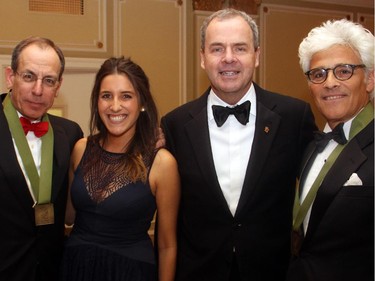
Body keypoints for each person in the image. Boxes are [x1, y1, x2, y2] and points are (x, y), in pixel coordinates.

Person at [161, 8, 317, 281]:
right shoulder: (174, 125)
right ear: (202, 58)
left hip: (272, 272)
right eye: (217, 49)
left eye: (240, 48)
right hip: (199, 273)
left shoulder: (294, 117)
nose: (228, 58)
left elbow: (321, 187)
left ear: (257, 55)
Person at [60, 57, 180, 281]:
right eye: (106, 96)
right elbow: (68, 216)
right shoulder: (81, 149)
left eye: (126, 96)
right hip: (75, 267)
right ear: (97, 101)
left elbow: (167, 246)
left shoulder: (162, 163)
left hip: (129, 271)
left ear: (142, 102)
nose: (115, 106)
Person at [287, 19, 374, 281]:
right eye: (319, 74)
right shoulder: (308, 146)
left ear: (370, 79)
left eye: (344, 71)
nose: (330, 83)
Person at [0, 37, 83, 281]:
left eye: (48, 81)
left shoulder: (71, 133)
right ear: (10, 76)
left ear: (58, 86)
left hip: (51, 271)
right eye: (28, 76)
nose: (38, 90)